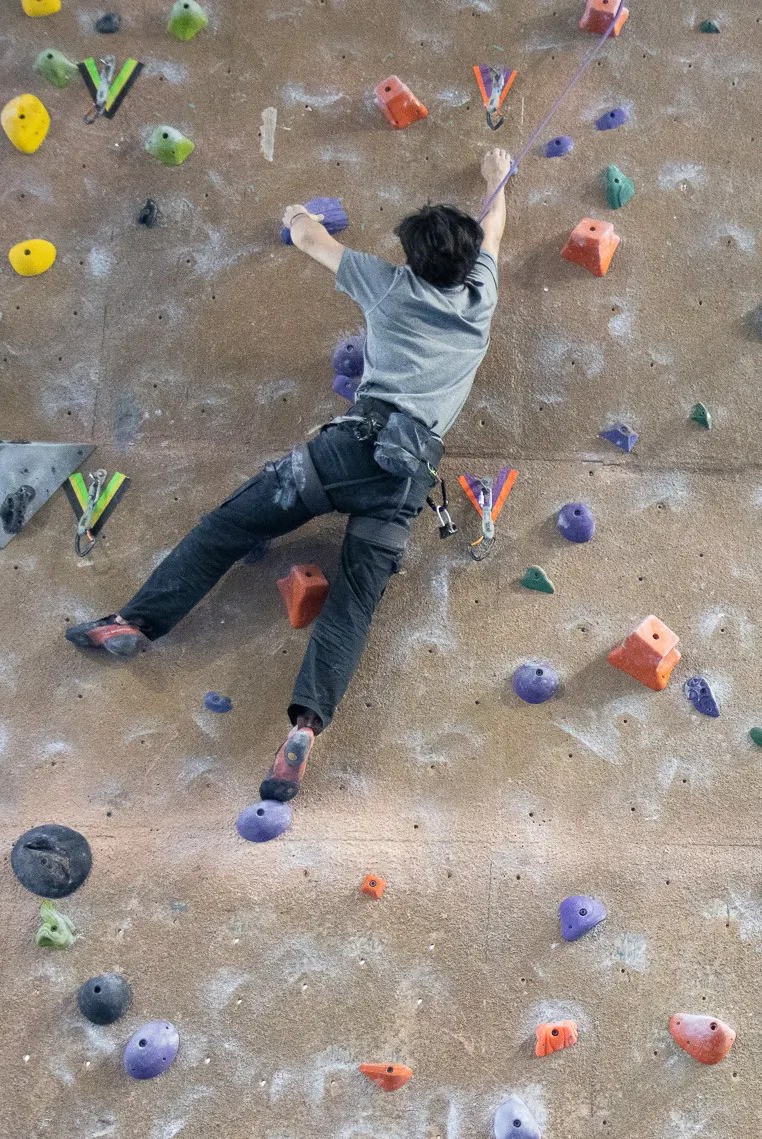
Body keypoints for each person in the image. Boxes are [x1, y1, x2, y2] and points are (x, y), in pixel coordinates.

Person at [66, 146, 514, 803]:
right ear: (467, 263)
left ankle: (136, 623)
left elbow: (308, 236)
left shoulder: (385, 283)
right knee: (354, 607)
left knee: (226, 526)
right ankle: (305, 726)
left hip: (343, 454)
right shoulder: (481, 296)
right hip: (405, 480)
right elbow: (496, 223)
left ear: (413, 259)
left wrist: (298, 209)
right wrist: (495, 174)